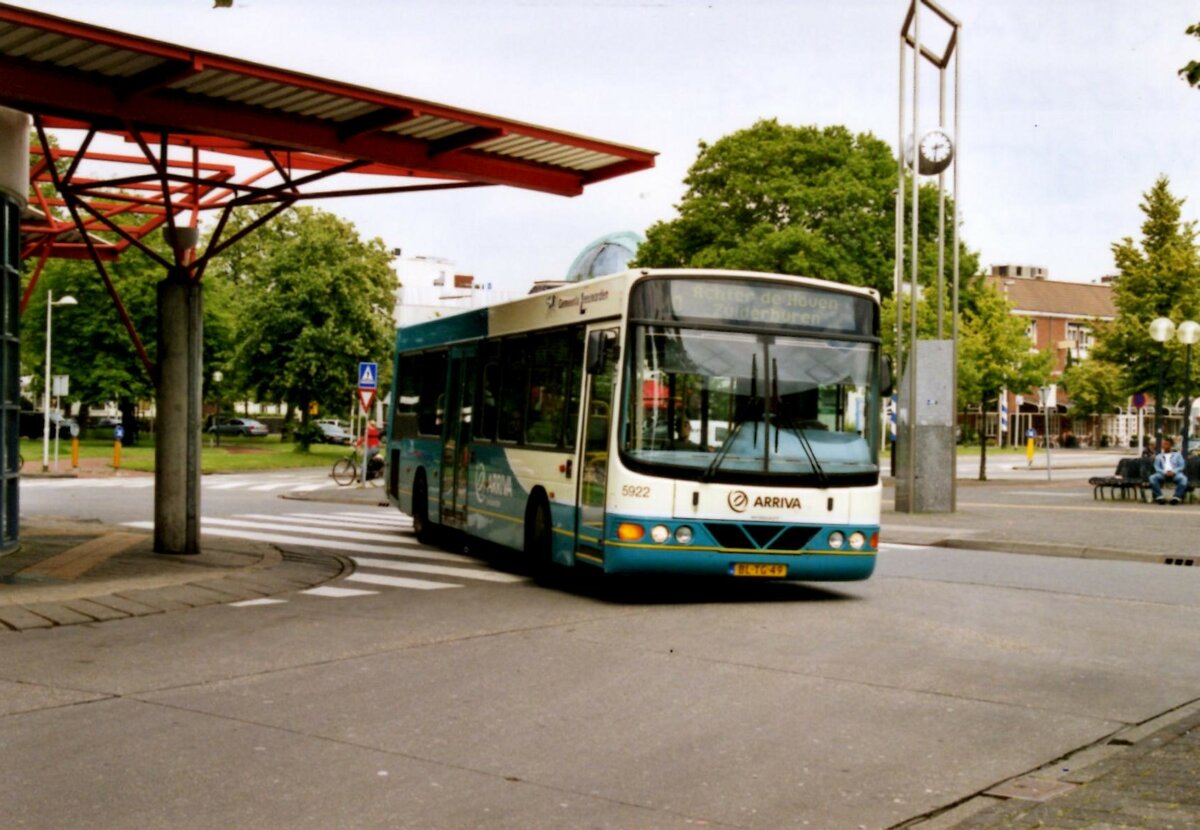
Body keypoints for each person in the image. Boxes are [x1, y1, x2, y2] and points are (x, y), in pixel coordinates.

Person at [1149, 436, 1188, 504]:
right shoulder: (1159, 456)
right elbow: (1157, 467)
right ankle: (1160, 497)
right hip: (1162, 474)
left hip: (1175, 474)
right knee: (1152, 478)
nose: (1165, 445)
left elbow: (1181, 466)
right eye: (1164, 444)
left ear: (1171, 445)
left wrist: (1173, 472)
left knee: (1183, 479)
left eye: (1167, 444)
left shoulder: (1177, 455)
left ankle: (1176, 497)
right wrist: (1164, 472)